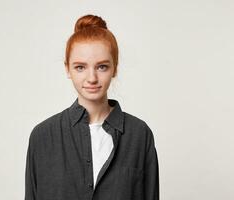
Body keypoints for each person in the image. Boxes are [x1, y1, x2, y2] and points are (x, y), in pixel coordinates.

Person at [25, 14, 159, 200]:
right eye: (80, 67)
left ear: (115, 68)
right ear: (67, 69)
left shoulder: (139, 134)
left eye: (102, 67)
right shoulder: (43, 136)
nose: (92, 78)